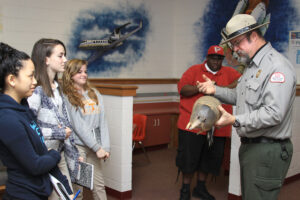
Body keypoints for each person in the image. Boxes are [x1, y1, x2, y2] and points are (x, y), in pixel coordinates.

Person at [198, 14, 296, 200]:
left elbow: (274, 114)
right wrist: (215, 90)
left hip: (267, 150)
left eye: (237, 43)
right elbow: (239, 97)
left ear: (253, 35)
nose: (234, 50)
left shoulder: (277, 67)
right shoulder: (252, 66)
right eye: (232, 44)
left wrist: (235, 119)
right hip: (252, 148)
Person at [0, 42, 73, 199]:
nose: (34, 81)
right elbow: (35, 165)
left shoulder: (22, 106)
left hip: (38, 189)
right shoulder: (7, 119)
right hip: (24, 194)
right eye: (30, 76)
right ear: (12, 80)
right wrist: (54, 154)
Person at [176, 45, 241, 200]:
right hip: (192, 125)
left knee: (208, 159)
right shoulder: (194, 70)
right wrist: (202, 88)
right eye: (213, 58)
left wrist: (220, 89)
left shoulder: (229, 72)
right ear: (207, 58)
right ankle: (185, 190)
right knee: (189, 160)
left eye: (219, 59)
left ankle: (200, 187)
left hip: (217, 126)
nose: (216, 61)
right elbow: (182, 89)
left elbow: (242, 81)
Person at [27, 38, 80, 199]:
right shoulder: (36, 91)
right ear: (46, 59)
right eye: (60, 55)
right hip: (43, 158)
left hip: (59, 154)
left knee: (69, 196)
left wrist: (75, 150)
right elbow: (28, 128)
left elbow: (65, 124)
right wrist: (57, 133)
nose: (65, 60)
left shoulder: (57, 88)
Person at [62, 59, 110, 200]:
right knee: (79, 189)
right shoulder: (68, 95)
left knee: (99, 186)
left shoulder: (94, 92)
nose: (84, 74)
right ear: (70, 75)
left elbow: (103, 121)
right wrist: (97, 147)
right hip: (79, 148)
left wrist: (105, 147)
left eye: (85, 71)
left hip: (96, 146)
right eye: (79, 72)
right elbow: (78, 126)